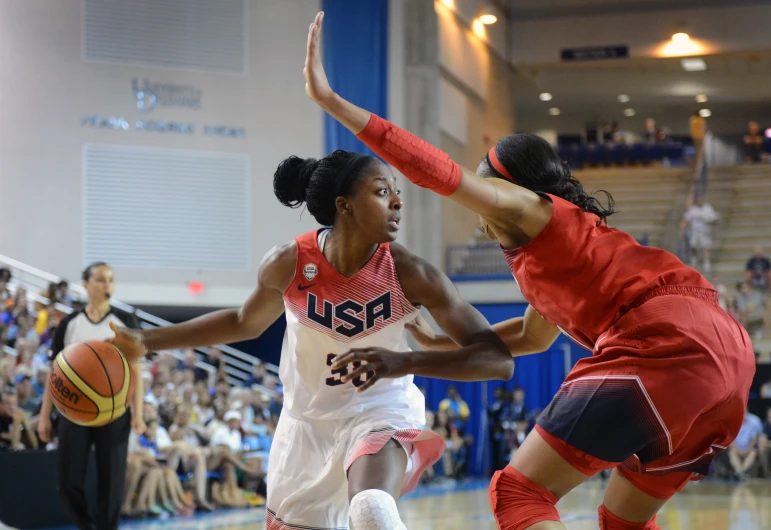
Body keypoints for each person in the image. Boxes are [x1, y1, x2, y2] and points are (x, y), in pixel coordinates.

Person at [303, 12, 756, 529]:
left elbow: (438, 173)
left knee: (519, 493)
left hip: (664, 339)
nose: (482, 202)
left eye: (487, 188)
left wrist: (333, 102)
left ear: (510, 187)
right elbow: (532, 335)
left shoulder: (531, 210)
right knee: (623, 520)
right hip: (727, 356)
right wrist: (444, 345)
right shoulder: (562, 252)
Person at [109, 147, 512, 528]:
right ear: (344, 205)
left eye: (397, 192)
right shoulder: (289, 262)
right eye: (382, 191)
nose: (397, 202)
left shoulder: (412, 274)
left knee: (371, 509)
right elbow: (242, 322)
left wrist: (404, 362)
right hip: (305, 424)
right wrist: (145, 341)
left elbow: (497, 360)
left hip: (379, 410)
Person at [37, 263, 145, 530]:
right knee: (67, 482)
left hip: (116, 410)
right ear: (85, 284)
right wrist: (43, 417)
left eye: (110, 280)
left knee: (112, 482)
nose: (107, 285)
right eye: (100, 280)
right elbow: (56, 374)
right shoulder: (69, 323)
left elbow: (137, 372)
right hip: (73, 409)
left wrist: (139, 415)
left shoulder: (126, 322)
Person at [681, 196, 718, 274]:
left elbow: (714, 219)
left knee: (706, 247)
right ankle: (694, 261)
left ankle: (706, 262)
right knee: (693, 246)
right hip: (695, 231)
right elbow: (686, 220)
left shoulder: (708, 209)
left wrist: (710, 221)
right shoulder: (693, 210)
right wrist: (683, 229)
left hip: (705, 231)